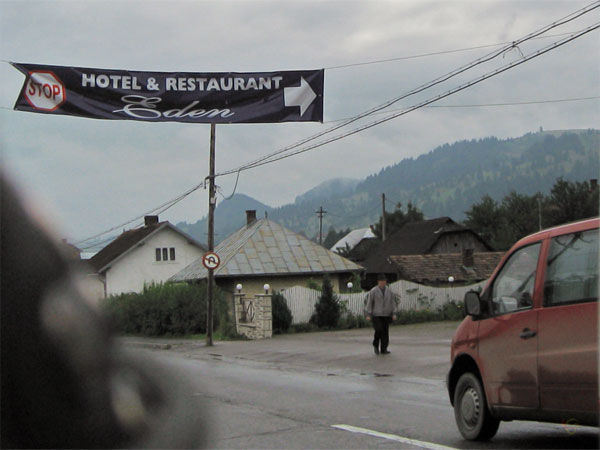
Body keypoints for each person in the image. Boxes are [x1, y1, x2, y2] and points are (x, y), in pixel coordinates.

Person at [365, 274, 398, 355]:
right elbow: (369, 303)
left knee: (385, 332)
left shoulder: (389, 291)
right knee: (378, 329)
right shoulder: (373, 291)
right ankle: (375, 344)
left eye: (384, 281)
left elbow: (393, 303)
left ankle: (384, 349)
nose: (382, 283)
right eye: (381, 281)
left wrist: (394, 313)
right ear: (378, 282)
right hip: (376, 314)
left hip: (386, 314)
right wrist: (368, 314)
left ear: (386, 282)